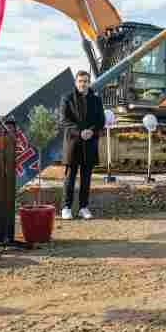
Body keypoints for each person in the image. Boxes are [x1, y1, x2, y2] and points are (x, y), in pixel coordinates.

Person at [58, 70, 105, 220]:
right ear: (76, 82)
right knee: (70, 177)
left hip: (90, 143)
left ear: (89, 82)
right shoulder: (67, 98)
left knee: (86, 178)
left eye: (85, 81)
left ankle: (83, 207)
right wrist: (80, 132)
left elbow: (100, 120)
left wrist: (91, 131)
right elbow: (64, 120)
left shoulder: (96, 100)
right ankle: (66, 207)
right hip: (73, 143)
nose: (83, 84)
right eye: (80, 81)